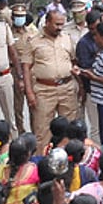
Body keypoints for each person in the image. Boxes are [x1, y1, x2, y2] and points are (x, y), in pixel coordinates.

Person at [22, 9, 78, 146]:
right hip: (44, 90)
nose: (60, 28)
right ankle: (42, 162)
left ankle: (67, 160)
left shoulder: (67, 39)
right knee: (42, 131)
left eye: (62, 24)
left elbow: (74, 61)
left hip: (67, 89)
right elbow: (26, 68)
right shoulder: (33, 41)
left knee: (70, 129)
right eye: (56, 24)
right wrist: (29, 93)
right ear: (46, 22)